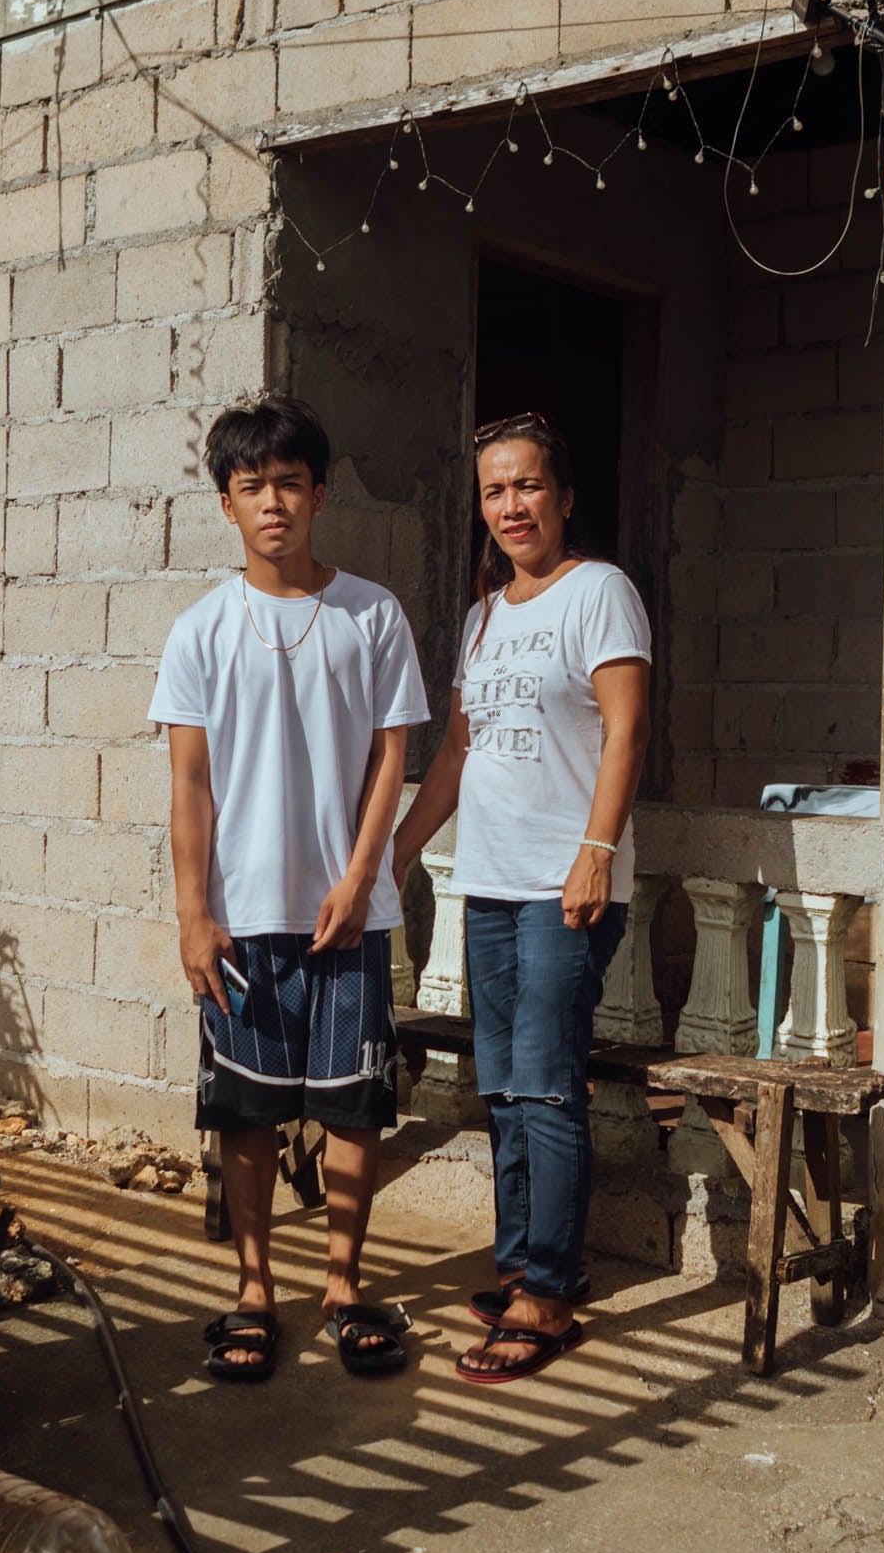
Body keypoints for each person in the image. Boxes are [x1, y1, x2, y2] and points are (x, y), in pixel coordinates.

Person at [150, 395, 429, 1383]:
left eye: (290, 483)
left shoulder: (372, 615)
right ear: (227, 503)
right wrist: (192, 914)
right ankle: (255, 1288)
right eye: (252, 485)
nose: (274, 502)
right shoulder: (201, 631)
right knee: (246, 1112)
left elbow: (394, 754)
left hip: (347, 912)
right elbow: (189, 783)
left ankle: (344, 1282)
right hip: (240, 914)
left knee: (355, 1108)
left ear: (318, 493)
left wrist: (363, 877)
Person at [391, 413, 650, 1385]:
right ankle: (520, 1264)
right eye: (496, 491)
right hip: (490, 882)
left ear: (564, 495)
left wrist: (595, 850)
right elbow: (458, 748)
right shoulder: (485, 614)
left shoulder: (601, 594)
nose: (512, 506)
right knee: (500, 1088)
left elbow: (626, 732)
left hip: (563, 885)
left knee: (544, 1086)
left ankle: (550, 1288)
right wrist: (405, 850)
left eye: (528, 486)